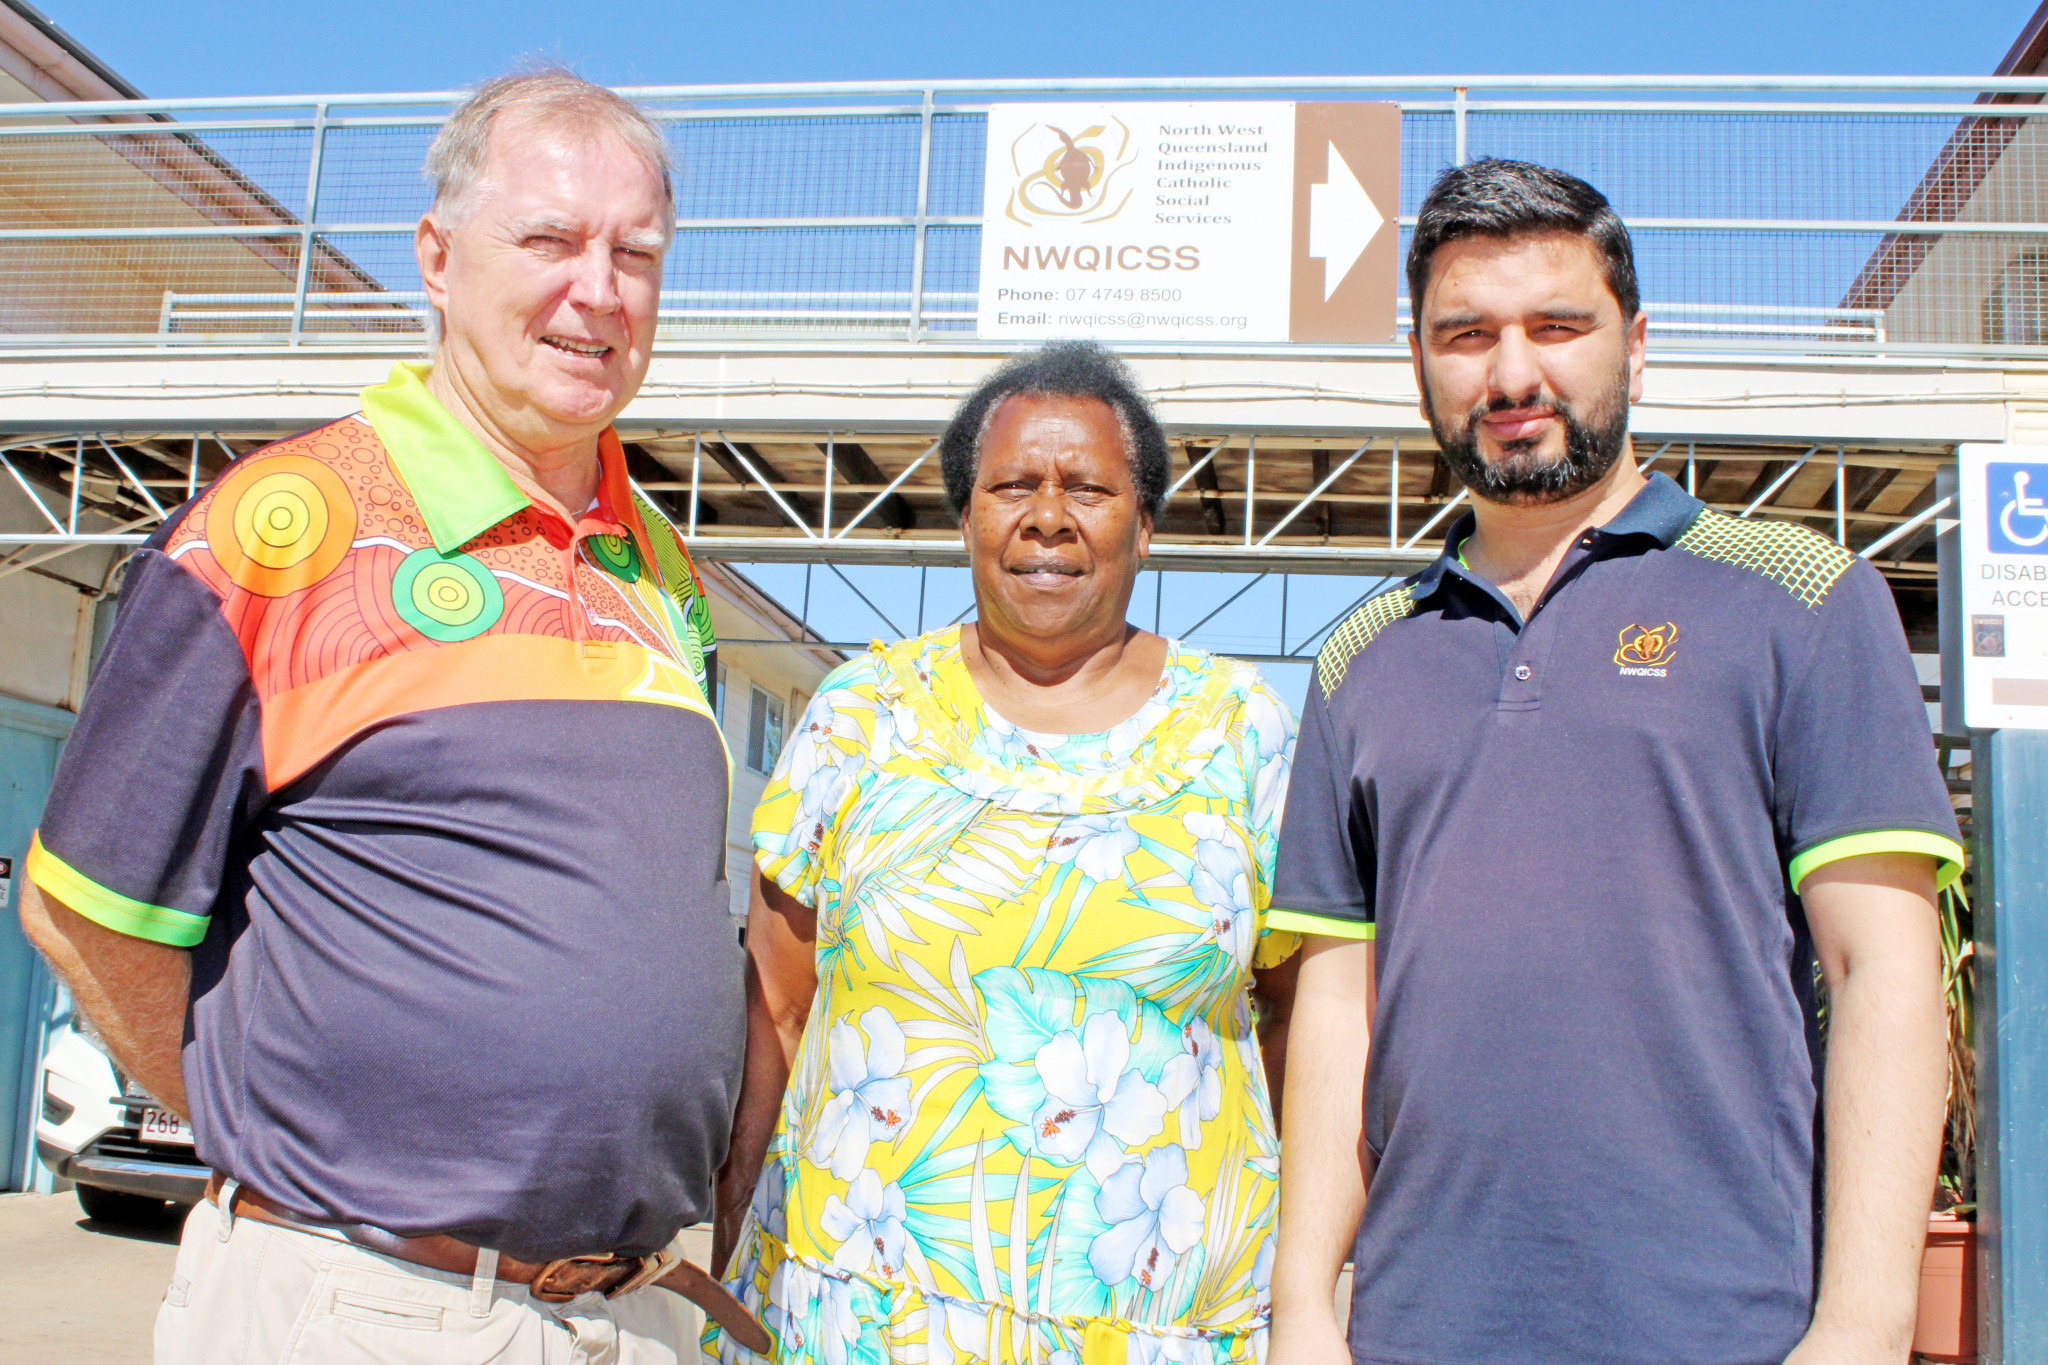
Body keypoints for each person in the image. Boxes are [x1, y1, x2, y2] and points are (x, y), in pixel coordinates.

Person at [19, 70, 766, 1363]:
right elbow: (81, 905)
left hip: (625, 1314)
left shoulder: (664, 571)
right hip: (363, 1308)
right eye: (547, 240)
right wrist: (288, 1163)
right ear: (435, 256)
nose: (598, 289)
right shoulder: (281, 528)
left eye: (635, 252)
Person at [1267, 159, 1963, 1365]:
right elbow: (1338, 1007)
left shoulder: (1799, 600)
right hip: (1413, 1329)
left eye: (1556, 326)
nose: (1512, 373)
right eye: (1465, 334)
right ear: (1420, 365)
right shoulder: (1360, 659)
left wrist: (1859, 1326)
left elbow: (1880, 973)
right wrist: (1300, 1311)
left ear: (1635, 346)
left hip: (1728, 1327)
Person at [707, 340, 1300, 1365]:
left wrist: (1308, 1288)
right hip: (859, 1319)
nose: (1046, 516)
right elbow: (778, 1006)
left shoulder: (1242, 730)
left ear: (1145, 526)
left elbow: (1300, 1023)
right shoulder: (862, 715)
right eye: (1012, 486)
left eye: (1089, 489)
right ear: (968, 518)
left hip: (1159, 1328)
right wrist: (727, 1242)